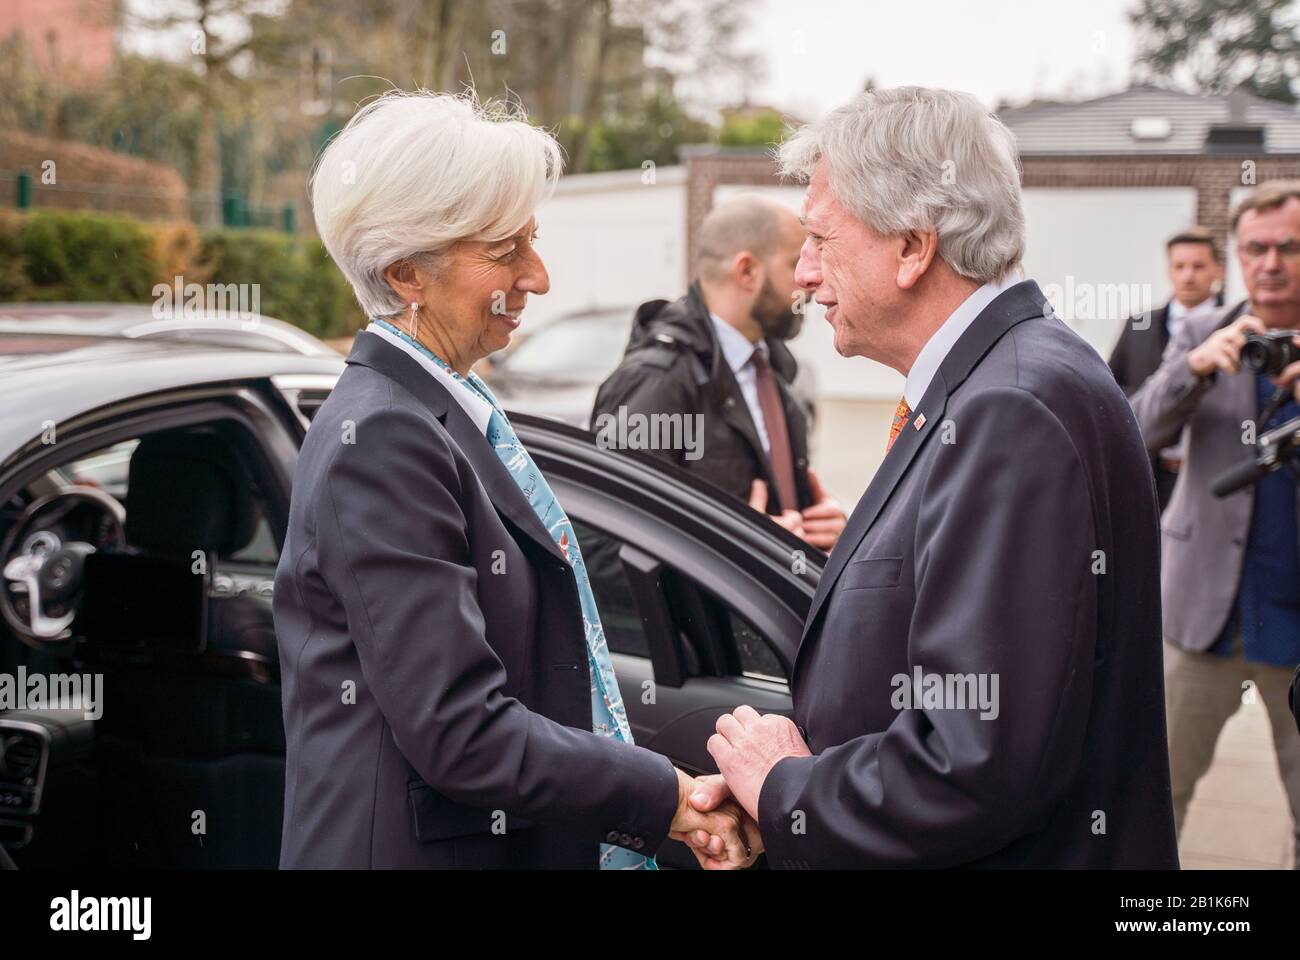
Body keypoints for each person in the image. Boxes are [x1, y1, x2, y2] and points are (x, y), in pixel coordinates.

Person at [689, 86, 1177, 868]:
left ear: (913, 247)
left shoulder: (1011, 407)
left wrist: (787, 788)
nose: (806, 275)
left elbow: (971, 760)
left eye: (820, 239)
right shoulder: (1003, 379)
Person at [274, 89, 757, 869]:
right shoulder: (388, 438)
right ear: (407, 273)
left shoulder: (441, 406)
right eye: (505, 250)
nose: (538, 277)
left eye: (531, 241)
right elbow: (461, 732)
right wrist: (668, 800)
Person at [1130, 180, 1300, 868]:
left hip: (1292, 619)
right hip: (1202, 612)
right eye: (1255, 248)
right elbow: (1136, 426)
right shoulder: (1202, 329)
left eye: (1290, 247)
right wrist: (1194, 369)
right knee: (1155, 794)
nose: (1271, 263)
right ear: (1237, 254)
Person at [592, 194, 847, 551]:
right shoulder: (659, 381)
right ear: (746, 271)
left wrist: (827, 526)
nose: (809, 279)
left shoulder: (774, 370)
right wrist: (740, 549)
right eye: (795, 262)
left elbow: (773, 511)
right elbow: (604, 548)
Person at [1109, 227, 1225, 509]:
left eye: (1198, 266)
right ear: (1168, 270)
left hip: (1209, 479)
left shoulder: (1237, 329)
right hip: (1146, 476)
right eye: (1180, 266)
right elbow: (1111, 392)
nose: (1188, 275)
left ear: (1218, 271)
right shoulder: (1138, 326)